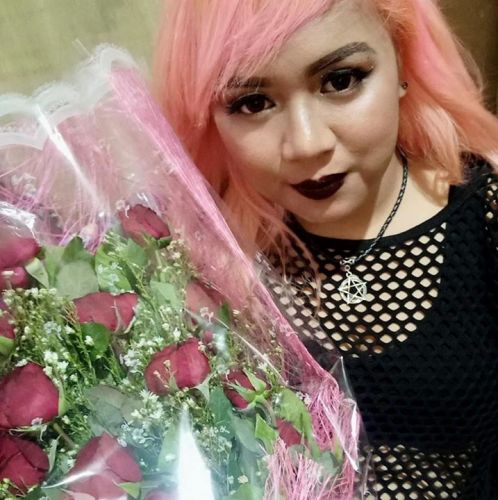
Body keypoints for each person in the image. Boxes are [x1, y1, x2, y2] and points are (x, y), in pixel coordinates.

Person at [153, 0, 498, 497]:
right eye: (252, 102)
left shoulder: (483, 215)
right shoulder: (208, 260)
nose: (306, 143)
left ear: (402, 61)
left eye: (341, 80)